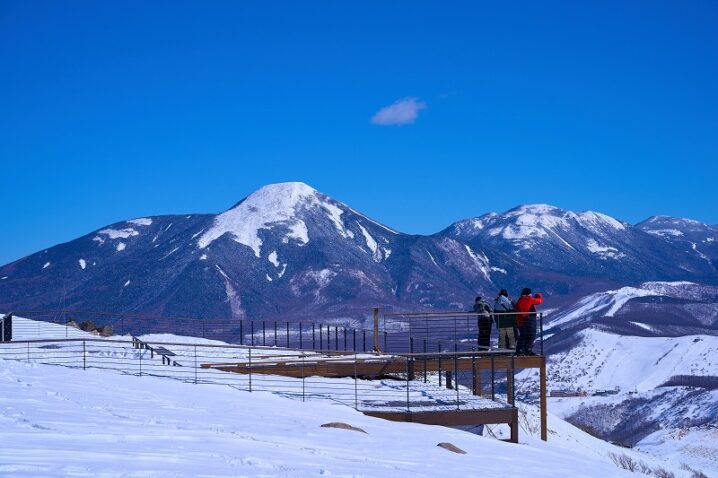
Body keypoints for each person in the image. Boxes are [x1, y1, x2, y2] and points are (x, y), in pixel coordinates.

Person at [514, 288, 543, 356]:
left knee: (523, 335)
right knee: (531, 335)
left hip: (521, 320)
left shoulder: (520, 300)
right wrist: (539, 295)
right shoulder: (529, 299)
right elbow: (539, 301)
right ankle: (528, 350)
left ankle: (520, 350)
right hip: (530, 319)